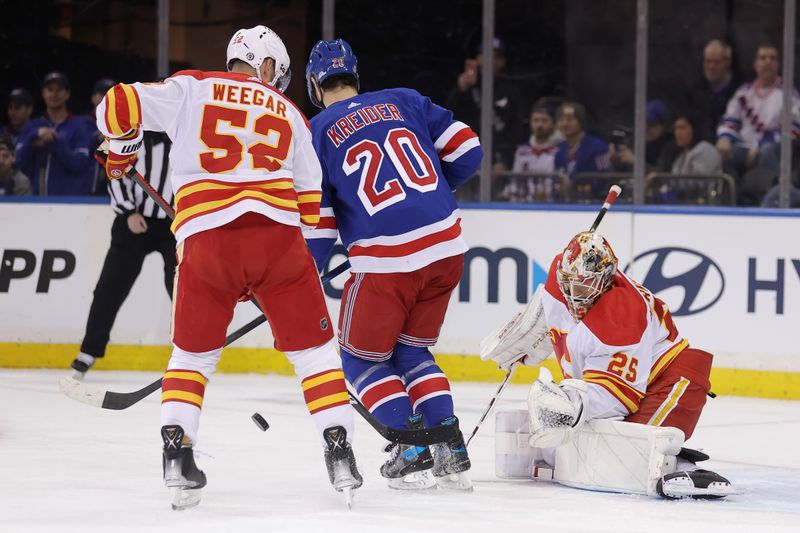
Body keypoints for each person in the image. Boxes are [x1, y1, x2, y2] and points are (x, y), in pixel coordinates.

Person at [94, 25, 361, 509]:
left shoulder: (191, 87)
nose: (273, 86)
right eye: (274, 75)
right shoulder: (290, 112)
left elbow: (114, 107)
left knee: (191, 358)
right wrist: (272, 269)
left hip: (206, 243)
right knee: (316, 356)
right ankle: (340, 453)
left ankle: (176, 457)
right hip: (278, 243)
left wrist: (122, 150)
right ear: (263, 68)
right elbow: (307, 201)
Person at [304, 39, 482, 490]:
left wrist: (303, 276)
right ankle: (450, 447)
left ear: (313, 84)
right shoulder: (405, 99)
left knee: (360, 362)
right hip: (446, 245)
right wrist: (429, 197)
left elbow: (323, 223)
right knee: (411, 351)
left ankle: (411, 444)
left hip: (387, 262)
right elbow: (468, 151)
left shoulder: (316, 131)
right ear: (356, 77)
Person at [483, 231, 733, 499]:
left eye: (583, 289)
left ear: (605, 280)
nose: (573, 296)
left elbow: (617, 398)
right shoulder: (561, 273)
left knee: (632, 456)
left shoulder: (622, 314)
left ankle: (680, 466)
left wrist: (572, 403)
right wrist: (538, 330)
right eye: (569, 285)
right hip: (634, 377)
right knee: (584, 443)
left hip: (670, 382)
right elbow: (559, 303)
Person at [70, 132, 176, 379]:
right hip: (133, 221)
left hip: (175, 224)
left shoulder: (186, 126)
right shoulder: (130, 130)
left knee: (182, 289)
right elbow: (114, 170)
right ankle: (89, 351)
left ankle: (189, 354)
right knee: (110, 288)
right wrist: (128, 211)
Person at [716, 44, 800, 182]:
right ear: (755, 64)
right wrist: (724, 138)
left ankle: (770, 196)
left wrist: (759, 146)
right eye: (763, 58)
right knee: (727, 153)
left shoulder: (789, 93)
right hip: (744, 147)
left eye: (772, 58)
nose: (768, 62)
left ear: (779, 64)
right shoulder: (744, 92)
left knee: (767, 151)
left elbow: (794, 129)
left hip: (772, 147)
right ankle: (726, 197)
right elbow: (730, 119)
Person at [445, 37, 522, 170]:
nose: (490, 60)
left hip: (496, 160)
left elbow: (515, 128)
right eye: (485, 55)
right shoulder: (468, 85)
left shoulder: (510, 89)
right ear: (478, 59)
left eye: (496, 57)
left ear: (502, 61)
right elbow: (449, 115)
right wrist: (460, 89)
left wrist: (505, 160)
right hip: (467, 155)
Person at [15, 71, 93, 195]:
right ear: (43, 93)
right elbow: (18, 162)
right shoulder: (32, 126)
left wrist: (54, 142)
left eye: (59, 90)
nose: (54, 94)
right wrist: (33, 136)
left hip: (72, 203)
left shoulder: (80, 125)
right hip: (36, 202)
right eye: (50, 89)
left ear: (67, 94)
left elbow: (80, 164)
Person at [499, 103, 564, 202]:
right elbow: (516, 179)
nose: (539, 125)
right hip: (525, 203)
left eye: (544, 121)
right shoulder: (522, 151)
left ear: (553, 124)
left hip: (552, 204)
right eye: (536, 120)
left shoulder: (561, 150)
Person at [683, 39, 738, 140]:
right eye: (708, 61)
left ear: (728, 62)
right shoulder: (695, 92)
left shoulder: (740, 91)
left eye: (717, 62)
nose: (712, 67)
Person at [553, 101, 610, 181]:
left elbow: (602, 178)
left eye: (569, 120)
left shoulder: (598, 147)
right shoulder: (559, 150)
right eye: (561, 120)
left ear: (581, 121)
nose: (564, 124)